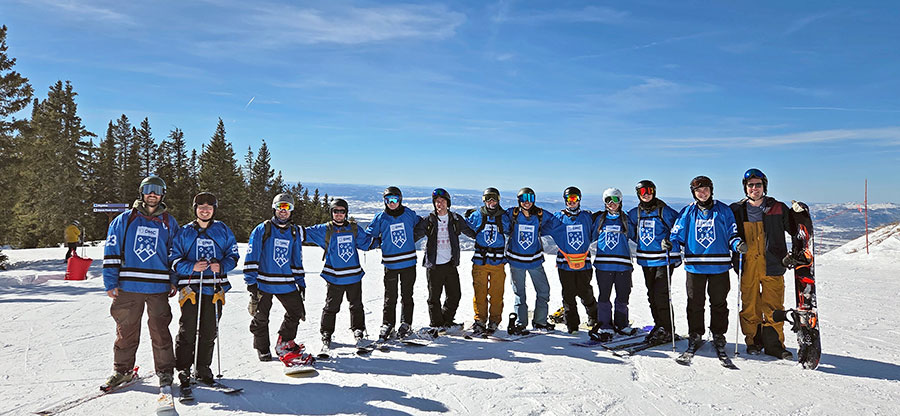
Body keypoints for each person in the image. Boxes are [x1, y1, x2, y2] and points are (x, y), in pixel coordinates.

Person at [101, 175, 179, 390]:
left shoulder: (169, 222)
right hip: (129, 286)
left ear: (162, 194)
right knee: (125, 330)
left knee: (160, 330)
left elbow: (175, 254)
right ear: (142, 192)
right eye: (148, 189)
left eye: (157, 189)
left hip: (158, 287)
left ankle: (164, 372)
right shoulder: (124, 219)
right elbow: (112, 250)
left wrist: (173, 280)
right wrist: (110, 281)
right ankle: (122, 371)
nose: (152, 193)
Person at [666, 176, 747, 357]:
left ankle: (718, 334)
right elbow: (676, 234)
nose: (702, 193)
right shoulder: (687, 212)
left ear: (711, 190)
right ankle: (695, 333)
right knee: (695, 303)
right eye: (698, 191)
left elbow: (732, 234)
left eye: (705, 189)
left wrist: (737, 245)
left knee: (719, 303)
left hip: (719, 266)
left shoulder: (723, 210)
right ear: (693, 193)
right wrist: (669, 243)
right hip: (695, 267)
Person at [170, 192, 239, 387]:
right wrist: (191, 266)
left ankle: (203, 367)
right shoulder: (184, 232)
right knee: (188, 328)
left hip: (214, 287)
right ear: (195, 209)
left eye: (209, 207)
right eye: (201, 207)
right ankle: (184, 367)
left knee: (209, 329)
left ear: (214, 210)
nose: (205, 210)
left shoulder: (223, 230)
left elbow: (233, 254)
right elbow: (173, 259)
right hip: (191, 288)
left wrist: (222, 265)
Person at [729, 168, 795, 359]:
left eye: (758, 185)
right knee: (750, 304)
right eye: (751, 185)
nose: (754, 188)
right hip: (747, 264)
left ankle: (774, 345)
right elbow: (727, 234)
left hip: (772, 264)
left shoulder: (778, 208)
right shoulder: (736, 210)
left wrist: (801, 216)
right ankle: (754, 341)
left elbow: (795, 231)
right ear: (745, 188)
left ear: (764, 186)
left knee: (774, 305)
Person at [243, 193, 308, 362]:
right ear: (274, 208)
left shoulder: (293, 232)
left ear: (291, 210)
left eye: (287, 207)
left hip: (286, 281)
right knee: (261, 317)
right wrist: (251, 282)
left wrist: (300, 282)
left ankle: (284, 342)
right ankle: (262, 348)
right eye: (280, 207)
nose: (283, 211)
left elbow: (296, 259)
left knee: (297, 311)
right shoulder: (263, 229)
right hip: (264, 282)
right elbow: (252, 254)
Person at [305, 198, 373, 347]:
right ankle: (326, 332)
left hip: (353, 275)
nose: (339, 214)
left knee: (356, 305)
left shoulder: (354, 229)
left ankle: (358, 329)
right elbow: (302, 233)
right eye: (336, 211)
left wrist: (382, 238)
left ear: (346, 213)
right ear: (331, 212)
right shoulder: (325, 229)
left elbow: (367, 243)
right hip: (334, 276)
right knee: (331, 306)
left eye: (342, 211)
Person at [626, 180, 682, 344]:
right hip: (646, 260)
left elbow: (678, 227)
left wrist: (669, 240)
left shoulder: (664, 211)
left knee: (661, 295)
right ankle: (660, 326)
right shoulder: (635, 213)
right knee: (652, 295)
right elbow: (627, 227)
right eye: (642, 191)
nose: (646, 194)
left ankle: (667, 329)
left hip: (663, 259)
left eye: (649, 190)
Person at [413, 188, 475, 330]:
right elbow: (415, 236)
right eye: (437, 202)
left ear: (448, 203)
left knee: (455, 295)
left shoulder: (455, 219)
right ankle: (436, 324)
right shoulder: (429, 220)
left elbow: (470, 232)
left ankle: (446, 320)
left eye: (442, 201)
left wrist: (483, 237)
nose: (439, 204)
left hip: (450, 264)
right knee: (434, 298)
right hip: (434, 265)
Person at [366, 186, 422, 340]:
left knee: (407, 296)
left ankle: (406, 323)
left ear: (400, 200)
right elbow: (369, 235)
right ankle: (388, 324)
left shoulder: (409, 214)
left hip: (409, 263)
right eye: (388, 200)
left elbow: (421, 224)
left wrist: (413, 237)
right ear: (384, 201)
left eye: (395, 199)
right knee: (390, 297)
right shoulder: (381, 217)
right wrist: (379, 242)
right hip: (391, 264)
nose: (392, 203)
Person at [543, 186, 599, 333]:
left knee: (585, 291)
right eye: (568, 199)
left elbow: (596, 230)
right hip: (565, 264)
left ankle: (594, 317)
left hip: (584, 263)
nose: (571, 202)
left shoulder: (586, 217)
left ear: (579, 200)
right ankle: (572, 324)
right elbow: (540, 227)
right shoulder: (558, 218)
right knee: (568, 294)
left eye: (574, 198)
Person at [589, 188, 635, 341]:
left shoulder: (625, 219)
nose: (611, 203)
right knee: (604, 297)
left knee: (622, 297)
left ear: (620, 201)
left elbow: (637, 236)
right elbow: (589, 236)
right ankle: (605, 325)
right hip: (603, 265)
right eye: (608, 200)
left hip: (623, 265)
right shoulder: (600, 219)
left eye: (615, 200)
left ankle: (622, 324)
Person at [504, 187, 553, 332]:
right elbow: (496, 217)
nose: (527, 202)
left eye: (530, 199)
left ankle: (540, 321)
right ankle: (521, 323)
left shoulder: (540, 214)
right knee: (520, 294)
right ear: (519, 200)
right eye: (524, 199)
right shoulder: (512, 213)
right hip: (516, 261)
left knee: (544, 291)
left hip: (535, 260)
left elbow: (557, 222)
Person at [464, 187, 511, 334]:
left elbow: (512, 230)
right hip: (480, 262)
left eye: (494, 199)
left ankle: (494, 321)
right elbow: (466, 226)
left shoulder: (503, 217)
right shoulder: (478, 215)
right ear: (484, 200)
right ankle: (480, 320)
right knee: (480, 293)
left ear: (498, 200)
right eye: (488, 199)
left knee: (497, 293)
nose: (491, 202)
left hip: (498, 262)